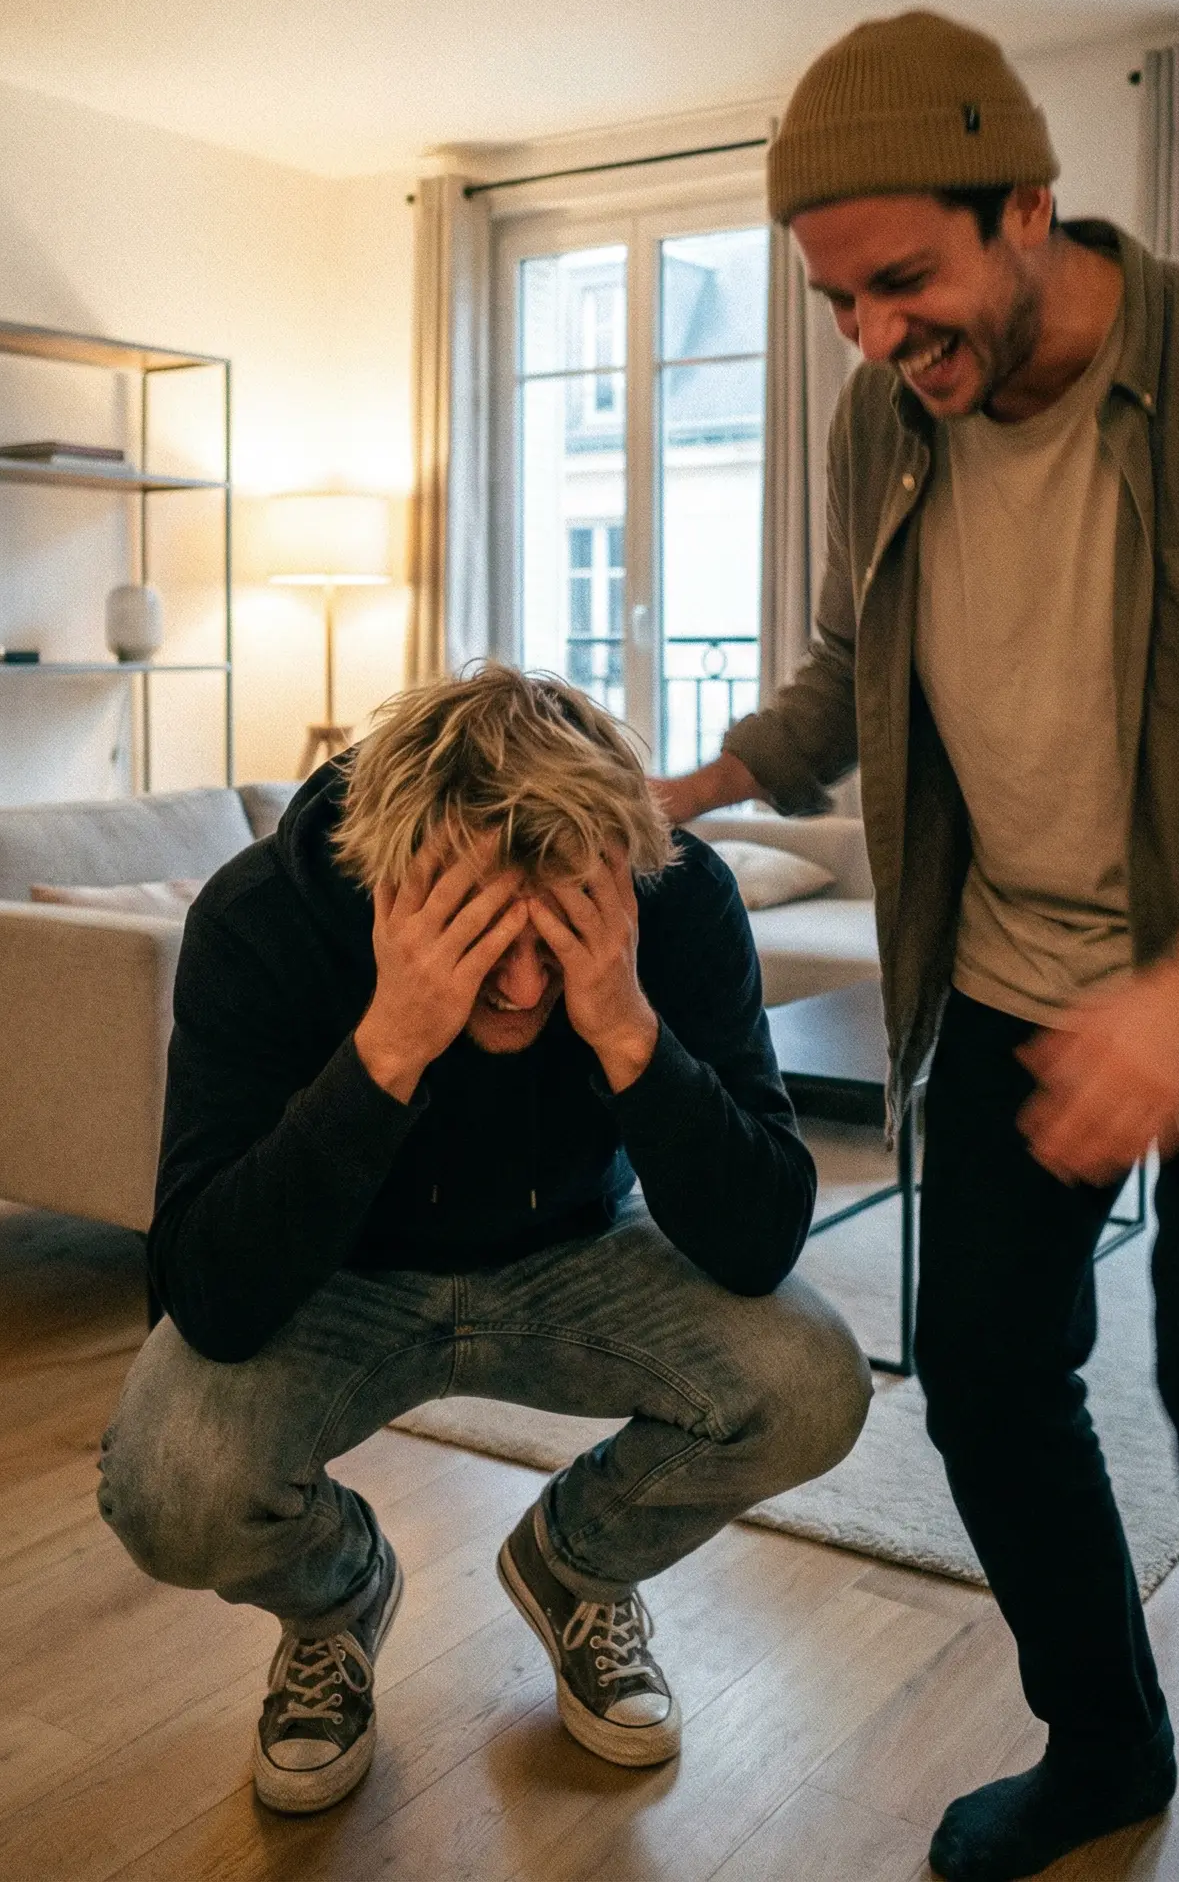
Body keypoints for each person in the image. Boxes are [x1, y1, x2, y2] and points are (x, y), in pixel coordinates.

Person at [655, 10, 1179, 1882]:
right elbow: (852, 667)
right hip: (1018, 973)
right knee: (985, 1368)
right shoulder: (886, 418)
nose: (876, 336)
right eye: (837, 301)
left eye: (904, 282)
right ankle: (1103, 1742)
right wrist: (691, 784)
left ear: (1025, 206)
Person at [98, 665, 871, 1814]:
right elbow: (204, 1296)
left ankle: (575, 1568)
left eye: (555, 940)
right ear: (391, 883)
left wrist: (625, 1027)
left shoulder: (677, 899)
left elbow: (759, 1241)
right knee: (170, 1484)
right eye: (478, 940)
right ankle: (338, 1601)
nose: (516, 985)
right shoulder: (262, 916)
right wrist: (386, 1049)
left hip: (576, 1251)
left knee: (810, 1382)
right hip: (337, 1277)